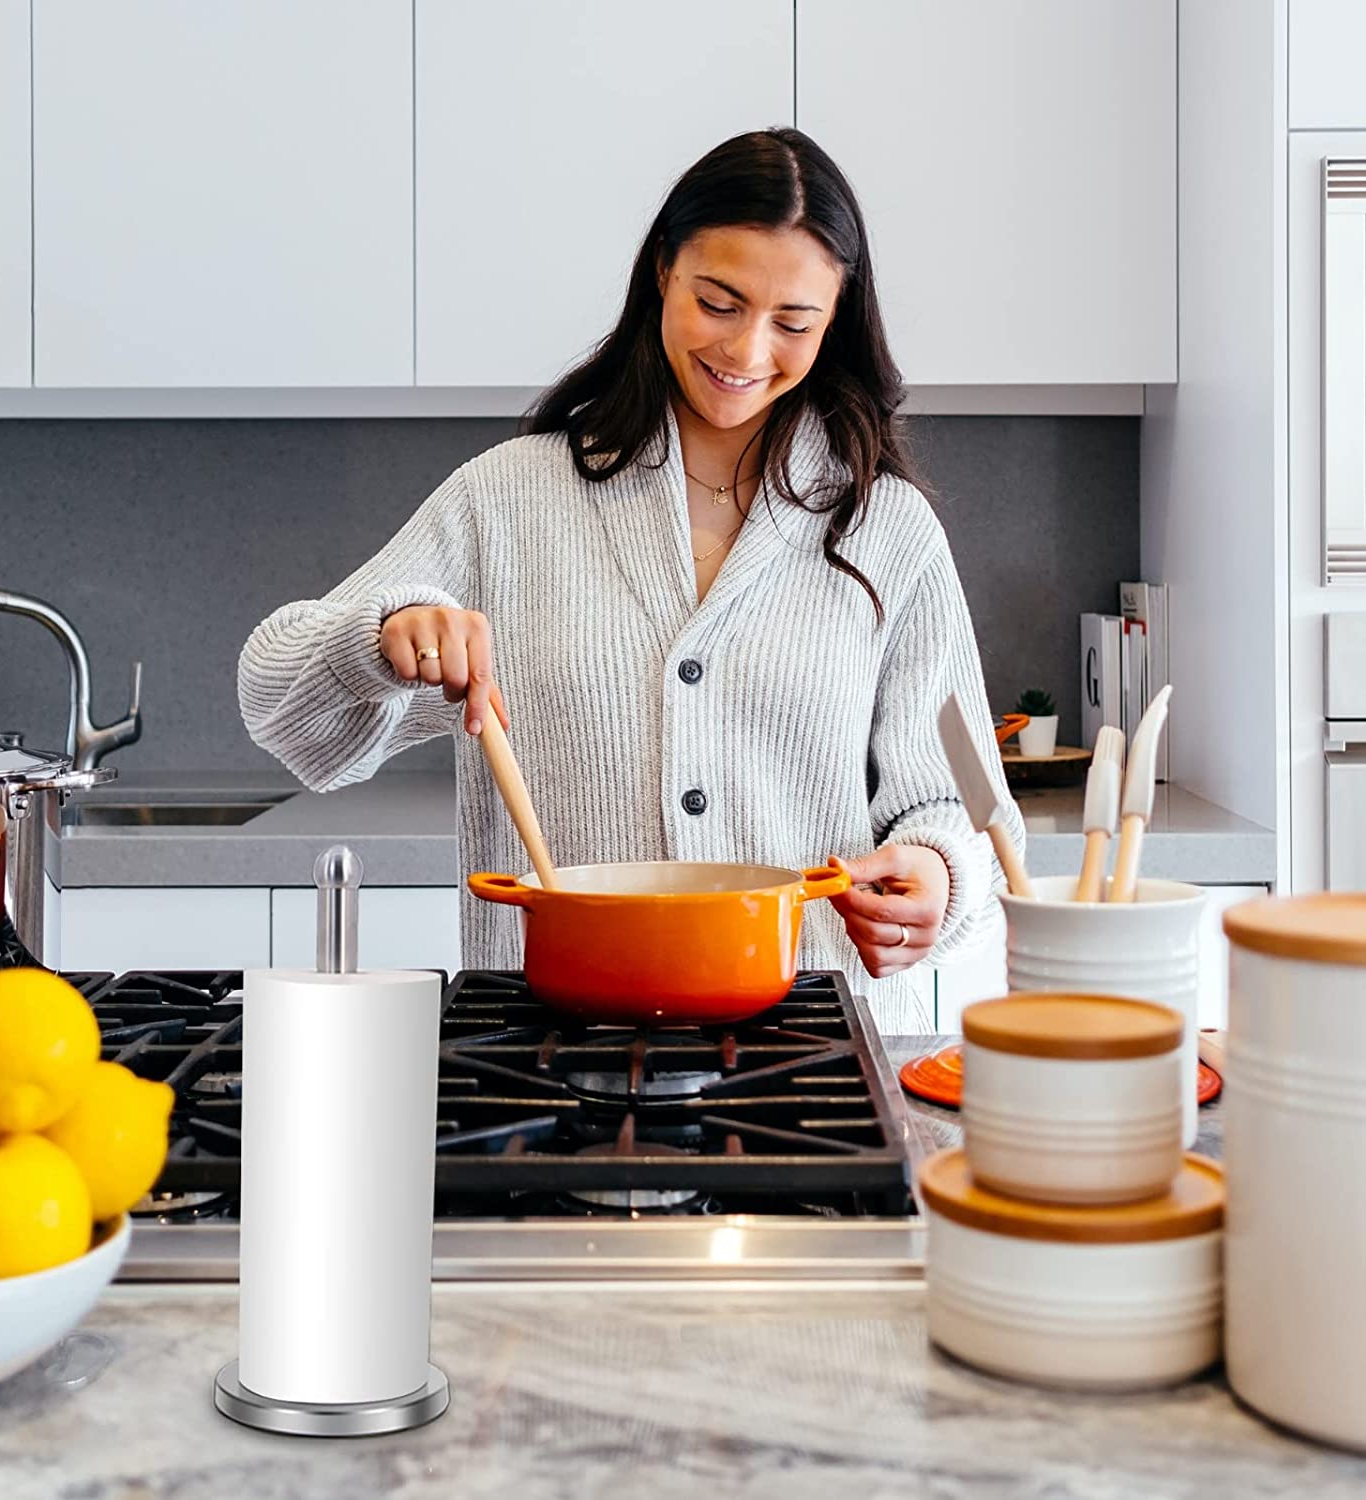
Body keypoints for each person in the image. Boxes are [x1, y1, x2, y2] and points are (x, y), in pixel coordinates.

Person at [238, 127, 1023, 1029]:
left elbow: (962, 806)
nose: (748, 349)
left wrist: (934, 874)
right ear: (663, 272)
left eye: (793, 322)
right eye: (719, 302)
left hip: (804, 1057)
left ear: (836, 318)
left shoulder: (886, 528)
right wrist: (380, 638)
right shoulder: (511, 499)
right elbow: (278, 705)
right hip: (542, 1054)